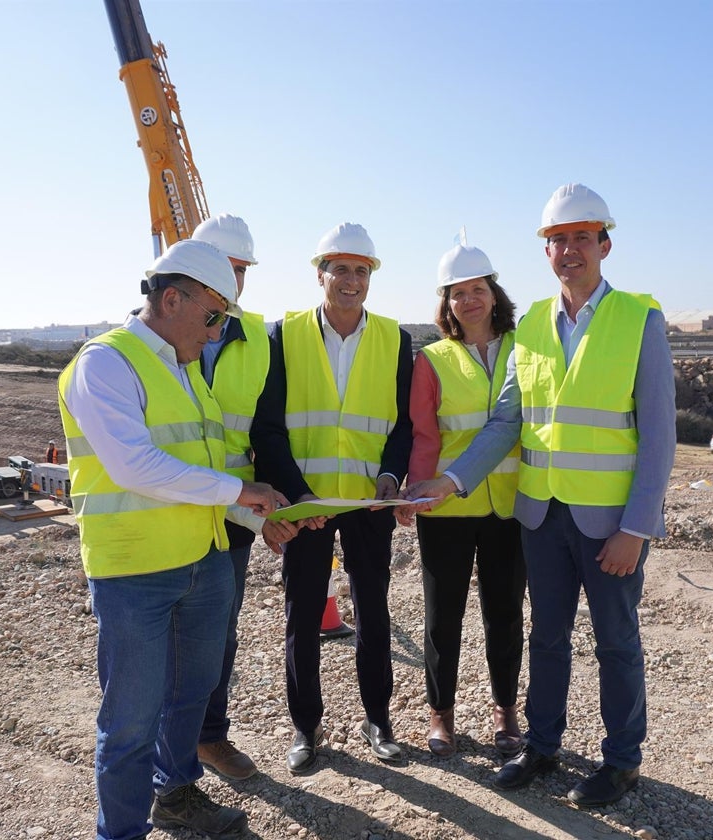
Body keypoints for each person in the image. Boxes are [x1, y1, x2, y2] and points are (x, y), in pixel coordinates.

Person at [404, 184, 676, 807]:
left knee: (616, 640)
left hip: (610, 523)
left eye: (583, 237)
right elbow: (506, 422)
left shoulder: (639, 319)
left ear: (605, 243)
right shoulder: (529, 326)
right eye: (558, 240)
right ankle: (544, 746)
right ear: (545, 252)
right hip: (541, 515)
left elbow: (659, 437)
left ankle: (622, 761)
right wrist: (451, 481)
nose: (570, 249)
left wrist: (637, 528)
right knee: (546, 637)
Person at [58, 239, 291, 840]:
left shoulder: (186, 371)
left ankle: (177, 797)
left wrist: (258, 516)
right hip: (136, 572)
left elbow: (205, 473)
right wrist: (241, 496)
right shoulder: (106, 363)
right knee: (131, 720)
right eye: (213, 316)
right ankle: (123, 832)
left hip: (204, 561)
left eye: (225, 320)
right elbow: (136, 467)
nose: (217, 334)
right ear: (170, 299)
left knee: (192, 696)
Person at [251, 222, 414, 773]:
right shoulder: (284, 334)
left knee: (373, 612)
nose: (351, 280)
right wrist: (298, 496)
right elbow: (268, 427)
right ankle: (305, 728)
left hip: (369, 504)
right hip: (307, 507)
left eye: (361, 271)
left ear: (372, 278)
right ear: (320, 273)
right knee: (302, 617)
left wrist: (392, 475)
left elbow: (403, 425)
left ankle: (379, 721)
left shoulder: (396, 339)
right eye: (340, 269)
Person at [395, 240, 526, 758]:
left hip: (511, 506)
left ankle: (505, 711)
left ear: (494, 294)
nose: (469, 300)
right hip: (446, 508)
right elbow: (423, 434)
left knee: (505, 614)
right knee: (442, 615)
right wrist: (413, 490)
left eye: (478, 289)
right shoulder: (432, 359)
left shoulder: (526, 347)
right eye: (458, 293)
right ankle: (440, 713)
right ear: (445, 304)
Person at [190, 214, 300, 781]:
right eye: (224, 268)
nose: (233, 281)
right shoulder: (157, 333)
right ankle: (169, 753)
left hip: (233, 513)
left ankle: (209, 737)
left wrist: (277, 510)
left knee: (219, 632)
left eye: (240, 270)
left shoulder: (258, 335)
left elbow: (267, 432)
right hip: (171, 509)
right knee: (169, 635)